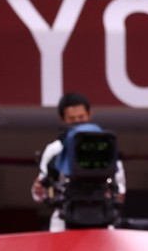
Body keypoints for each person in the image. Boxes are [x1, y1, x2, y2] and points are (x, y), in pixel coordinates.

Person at [31, 93, 126, 232]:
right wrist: (38, 189)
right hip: (63, 223)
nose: (77, 122)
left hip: (103, 220)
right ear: (63, 119)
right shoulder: (55, 149)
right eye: (72, 119)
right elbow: (39, 194)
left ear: (90, 114)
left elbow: (121, 190)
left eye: (81, 117)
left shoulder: (106, 146)